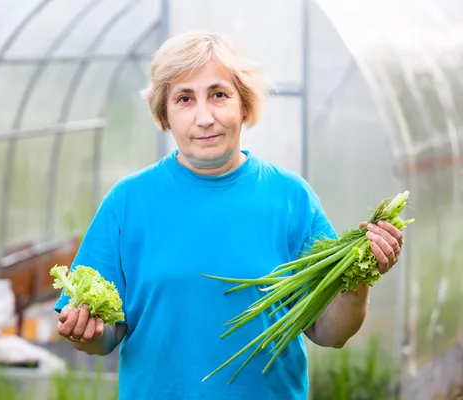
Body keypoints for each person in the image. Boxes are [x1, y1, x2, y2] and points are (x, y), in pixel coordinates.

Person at [54, 31, 405, 400]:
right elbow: (107, 336)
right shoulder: (127, 202)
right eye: (184, 99)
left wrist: (358, 277)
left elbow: (330, 333)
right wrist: (87, 334)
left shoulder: (290, 199)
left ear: (244, 105)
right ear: (164, 114)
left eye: (219, 95)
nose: (204, 117)